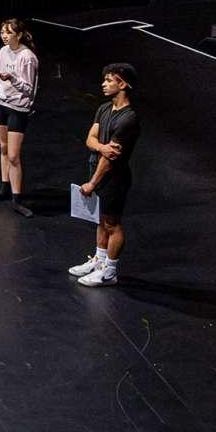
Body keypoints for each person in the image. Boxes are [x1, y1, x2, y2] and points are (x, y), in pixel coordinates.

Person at [70, 63, 140, 286]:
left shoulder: (128, 119)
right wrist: (101, 147)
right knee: (101, 220)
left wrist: (92, 183)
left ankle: (109, 271)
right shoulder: (104, 108)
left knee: (112, 224)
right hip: (97, 167)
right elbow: (90, 138)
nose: (104, 84)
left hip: (114, 178)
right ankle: (99, 261)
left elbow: (110, 160)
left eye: (110, 80)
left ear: (123, 84)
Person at [0, 18, 38, 216]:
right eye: (2, 33)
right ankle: (4, 188)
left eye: (8, 33)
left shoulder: (27, 57)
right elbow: (1, 79)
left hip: (18, 107)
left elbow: (29, 89)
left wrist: (12, 78)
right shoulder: (3, 51)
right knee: (3, 148)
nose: (5, 36)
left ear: (19, 35)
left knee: (14, 156)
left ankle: (17, 198)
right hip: (2, 103)